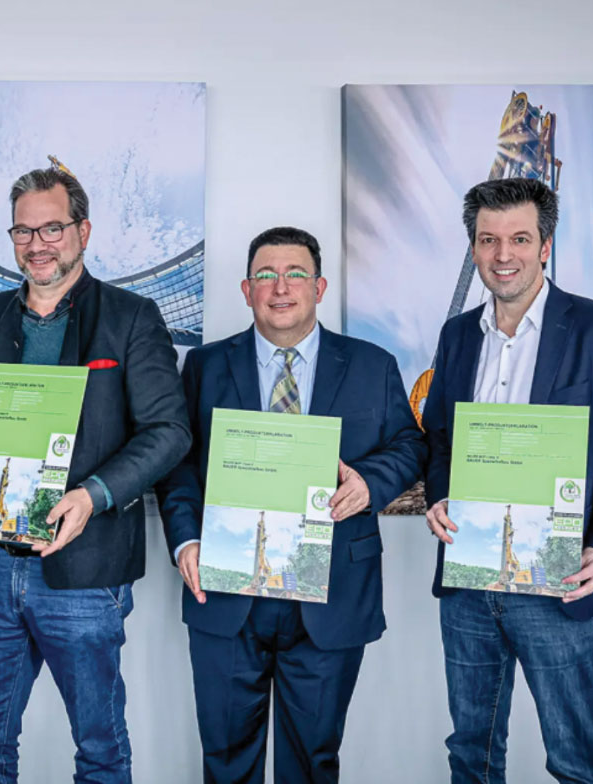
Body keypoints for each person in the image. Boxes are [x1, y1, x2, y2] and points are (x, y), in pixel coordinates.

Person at [0, 166, 190, 783]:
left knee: (99, 748)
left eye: (52, 228)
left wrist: (92, 495)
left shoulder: (130, 317)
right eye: (23, 231)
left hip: (84, 571)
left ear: (83, 230)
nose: (36, 244)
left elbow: (169, 432)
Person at [157, 226, 426, 783]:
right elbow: (178, 463)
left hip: (332, 596)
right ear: (246, 288)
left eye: (296, 274)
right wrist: (185, 537)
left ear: (320, 286)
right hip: (226, 590)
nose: (281, 287)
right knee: (226, 760)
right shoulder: (205, 367)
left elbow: (411, 446)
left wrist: (369, 485)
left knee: (313, 762)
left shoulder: (372, 365)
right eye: (266, 275)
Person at [422, 177, 593, 783]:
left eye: (519, 238)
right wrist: (440, 493)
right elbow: (441, 438)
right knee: (470, 754)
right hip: (469, 580)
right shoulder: (455, 336)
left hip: (562, 580)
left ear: (544, 245)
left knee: (577, 758)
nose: (504, 255)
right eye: (488, 239)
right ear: (472, 247)